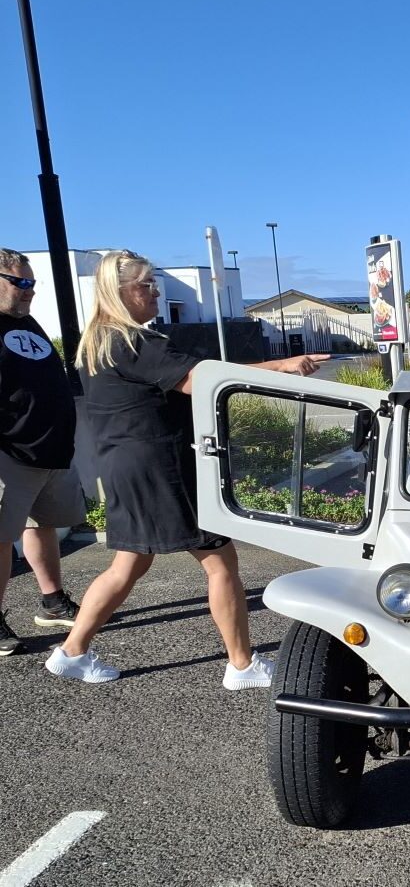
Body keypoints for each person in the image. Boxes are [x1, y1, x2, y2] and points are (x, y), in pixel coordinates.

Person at [45, 250, 329, 684]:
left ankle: (72, 650)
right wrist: (280, 366)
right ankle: (242, 665)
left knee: (130, 564)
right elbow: (201, 380)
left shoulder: (98, 342)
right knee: (219, 561)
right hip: (161, 465)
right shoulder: (135, 341)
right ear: (119, 292)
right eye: (145, 284)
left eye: (154, 282)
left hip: (125, 467)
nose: (155, 291)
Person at [0, 248, 85, 657]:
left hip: (49, 450)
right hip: (9, 453)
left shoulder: (27, 323)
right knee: (1, 538)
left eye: (32, 282)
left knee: (42, 525)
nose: (30, 290)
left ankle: (53, 602)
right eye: (21, 282)